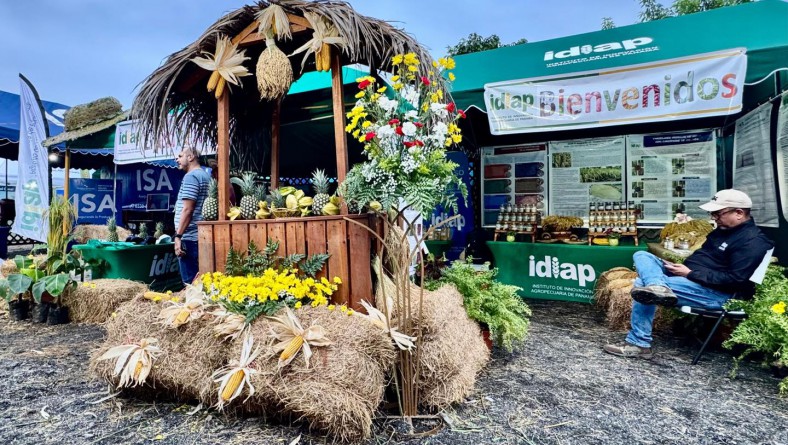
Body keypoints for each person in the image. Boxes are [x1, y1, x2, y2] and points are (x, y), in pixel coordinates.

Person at [604, 189, 774, 360]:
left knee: (643, 285)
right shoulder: (722, 231)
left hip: (717, 294)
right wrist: (680, 268)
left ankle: (639, 344)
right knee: (642, 255)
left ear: (739, 213)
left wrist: (690, 274)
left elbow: (736, 280)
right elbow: (704, 259)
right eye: (712, 213)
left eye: (718, 213)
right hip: (689, 277)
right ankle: (658, 285)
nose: (714, 217)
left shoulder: (753, 242)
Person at [173, 146, 211, 285]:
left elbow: (188, 209)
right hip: (198, 237)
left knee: (191, 286)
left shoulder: (191, 176)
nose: (177, 159)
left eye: (180, 155)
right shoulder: (205, 175)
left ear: (190, 157)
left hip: (189, 239)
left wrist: (178, 236)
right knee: (200, 284)